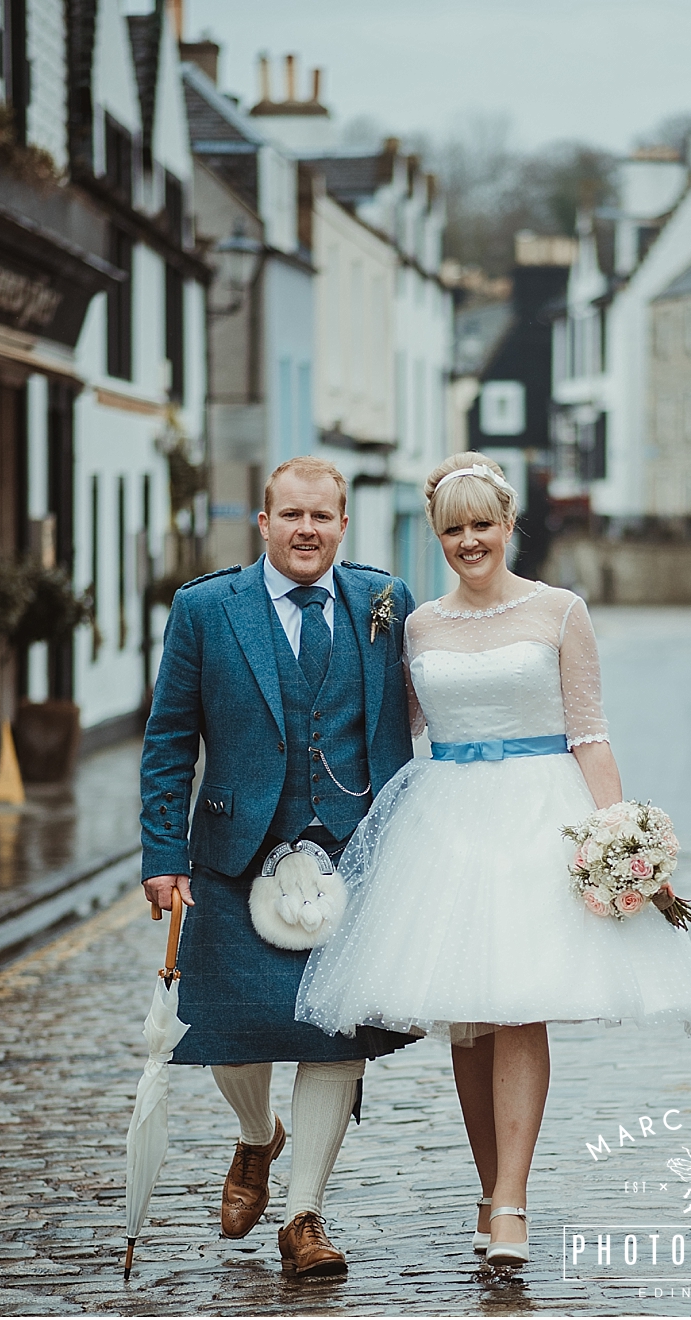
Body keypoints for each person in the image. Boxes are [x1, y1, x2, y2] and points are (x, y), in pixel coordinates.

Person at [296, 452, 691, 1269]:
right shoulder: (418, 626)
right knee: (469, 1017)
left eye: (481, 524)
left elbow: (589, 733)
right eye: (452, 529)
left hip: (540, 818)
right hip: (447, 825)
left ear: (508, 522)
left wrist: (621, 838)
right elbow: (396, 731)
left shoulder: (560, 611)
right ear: (438, 535)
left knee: (521, 1005)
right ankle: (488, 1190)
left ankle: (515, 1202)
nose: (468, 541)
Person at [139, 456, 418, 1278]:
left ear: (341, 524)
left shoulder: (382, 601)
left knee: (335, 1035)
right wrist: (162, 853)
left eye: (322, 517)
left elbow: (409, 718)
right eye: (290, 515)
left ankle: (304, 1216)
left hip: (351, 849)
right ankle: (258, 1137)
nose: (306, 530)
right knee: (229, 1033)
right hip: (234, 852)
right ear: (264, 522)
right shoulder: (204, 608)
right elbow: (167, 739)